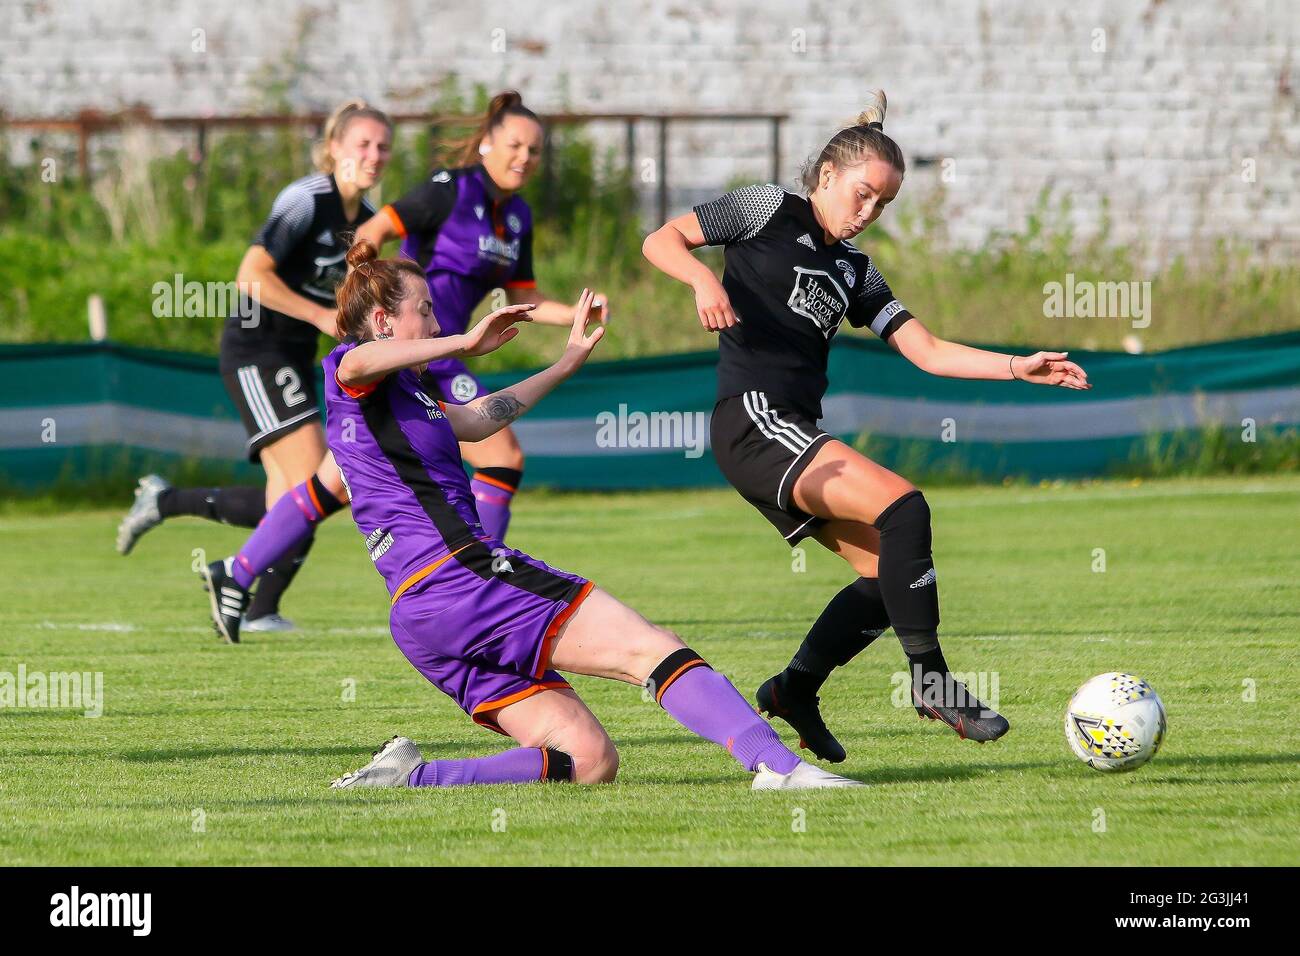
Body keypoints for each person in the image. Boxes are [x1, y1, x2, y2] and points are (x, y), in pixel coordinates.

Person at [642, 90, 1090, 762]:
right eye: (862, 194)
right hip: (755, 422)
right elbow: (661, 238)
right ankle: (932, 682)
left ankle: (795, 689)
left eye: (882, 204)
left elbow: (927, 351)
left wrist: (1017, 367)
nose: (868, 212)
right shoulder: (768, 207)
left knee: (890, 577)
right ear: (826, 176)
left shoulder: (855, 270)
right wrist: (703, 282)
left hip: (788, 430)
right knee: (905, 507)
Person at [310, 240, 856, 790]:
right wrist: (467, 342)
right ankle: (777, 767)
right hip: (459, 578)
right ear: (382, 321)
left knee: (590, 761)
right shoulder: (350, 371)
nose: (433, 321)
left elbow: (478, 419)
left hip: (423, 614)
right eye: (423, 310)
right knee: (650, 646)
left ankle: (410, 778)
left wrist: (565, 363)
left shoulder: (405, 393)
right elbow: (357, 360)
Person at [197, 91, 610, 644]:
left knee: (335, 481)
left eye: (535, 150)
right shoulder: (446, 190)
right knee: (502, 456)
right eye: (515, 144)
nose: (526, 157)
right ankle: (482, 582)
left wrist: (578, 317)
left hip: (439, 348)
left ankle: (238, 570)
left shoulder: (518, 216)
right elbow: (374, 234)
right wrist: (367, 309)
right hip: (419, 350)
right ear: (486, 143)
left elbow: (524, 295)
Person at [116, 99, 394, 634]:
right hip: (255, 348)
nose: (374, 155)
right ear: (334, 147)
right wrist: (319, 315)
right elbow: (250, 275)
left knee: (290, 500)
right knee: (321, 481)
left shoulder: (364, 224)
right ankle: (252, 599)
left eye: (383, 146)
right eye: (362, 143)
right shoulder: (306, 199)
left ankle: (170, 506)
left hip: (291, 355)